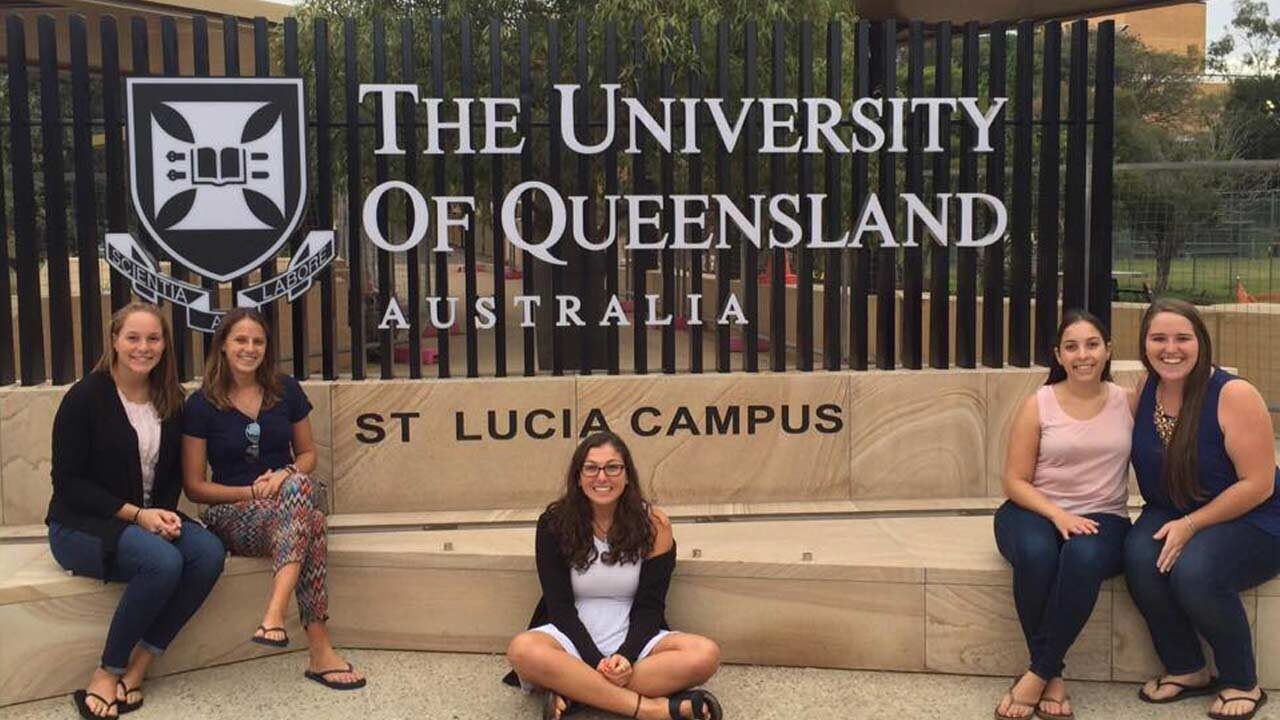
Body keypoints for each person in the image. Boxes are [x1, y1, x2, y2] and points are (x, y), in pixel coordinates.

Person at [47, 303, 226, 719]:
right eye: (133, 338)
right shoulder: (85, 397)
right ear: (114, 340)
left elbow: (170, 479)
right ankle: (106, 672)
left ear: (165, 344)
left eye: (153, 338)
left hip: (147, 519)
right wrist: (137, 515)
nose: (143, 347)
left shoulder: (171, 401)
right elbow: (68, 485)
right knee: (163, 563)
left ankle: (138, 667)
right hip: (81, 526)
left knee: (208, 554)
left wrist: (158, 516)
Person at [181, 307, 365, 691]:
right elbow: (195, 487)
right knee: (311, 523)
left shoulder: (286, 390)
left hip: (289, 498)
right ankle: (319, 650)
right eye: (241, 340)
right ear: (224, 346)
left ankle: (274, 615)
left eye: (258, 341)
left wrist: (285, 475)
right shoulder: (201, 405)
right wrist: (251, 491)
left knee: (298, 486)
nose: (250, 348)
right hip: (234, 513)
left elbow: (308, 456)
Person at [1125, 297, 1279, 720]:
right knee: (1139, 556)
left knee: (1196, 571)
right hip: (1170, 507)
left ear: (1201, 342)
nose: (1170, 349)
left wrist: (1191, 525)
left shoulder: (1235, 394)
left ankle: (1241, 680)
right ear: (1144, 344)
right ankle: (1187, 668)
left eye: (1182, 338)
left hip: (1253, 514)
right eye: (1158, 338)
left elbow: (1259, 483)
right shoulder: (1145, 389)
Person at [504, 432, 723, 720]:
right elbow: (559, 607)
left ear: (627, 474)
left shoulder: (655, 525)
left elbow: (650, 606)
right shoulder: (553, 524)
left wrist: (627, 657)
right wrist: (596, 661)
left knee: (705, 654)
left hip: (633, 632)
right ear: (578, 476)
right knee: (522, 650)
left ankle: (575, 693)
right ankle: (652, 709)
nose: (602, 477)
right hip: (569, 635)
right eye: (591, 468)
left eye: (612, 467)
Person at [993, 309, 1134, 720]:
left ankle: (1037, 673)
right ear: (1058, 354)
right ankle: (1052, 675)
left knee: (1081, 556)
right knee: (1037, 555)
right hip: (1032, 509)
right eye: (1071, 347)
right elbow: (1014, 480)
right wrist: (1056, 514)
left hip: (1103, 517)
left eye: (1092, 344)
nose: (1082, 355)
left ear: (1108, 350)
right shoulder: (1039, 404)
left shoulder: (1128, 401)